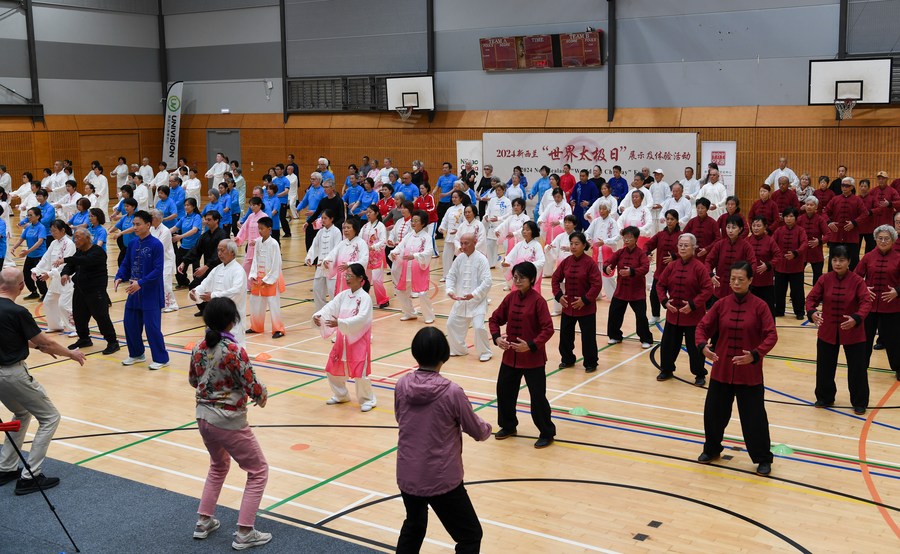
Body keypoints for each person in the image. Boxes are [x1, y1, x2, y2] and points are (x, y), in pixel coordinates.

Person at [395, 327, 492, 553]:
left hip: (408, 473)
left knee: (414, 525)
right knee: (470, 536)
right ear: (444, 355)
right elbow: (476, 430)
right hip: (441, 478)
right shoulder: (452, 392)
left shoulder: (401, 385)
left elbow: (401, 417)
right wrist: (487, 428)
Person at [189, 297, 271, 550]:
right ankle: (245, 531)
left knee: (218, 465)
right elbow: (252, 385)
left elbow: (194, 380)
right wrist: (262, 395)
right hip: (227, 420)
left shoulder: (199, 347)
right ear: (232, 321)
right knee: (258, 471)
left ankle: (204, 521)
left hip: (203, 417)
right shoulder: (234, 351)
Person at [0, 267, 86, 494]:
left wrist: (37, 346)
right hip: (12, 373)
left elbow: (15, 336)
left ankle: (6, 467)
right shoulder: (18, 312)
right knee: (50, 417)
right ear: (20, 286)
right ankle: (30, 476)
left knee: (22, 413)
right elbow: (45, 341)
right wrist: (71, 353)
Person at [696, 261, 777, 476]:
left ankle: (763, 458)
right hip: (721, 370)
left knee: (754, 419)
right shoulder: (721, 304)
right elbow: (702, 326)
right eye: (733, 279)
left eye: (741, 279)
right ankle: (712, 449)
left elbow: (771, 335)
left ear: (751, 280)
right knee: (713, 414)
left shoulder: (760, 306)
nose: (736, 283)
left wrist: (755, 354)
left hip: (749, 374)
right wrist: (703, 346)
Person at [489, 262, 556, 448]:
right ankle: (508, 426)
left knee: (537, 398)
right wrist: (496, 338)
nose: (517, 281)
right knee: (504, 392)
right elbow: (494, 319)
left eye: (521, 278)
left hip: (533, 359)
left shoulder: (539, 301)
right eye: (515, 277)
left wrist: (531, 345)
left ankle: (547, 432)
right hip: (510, 357)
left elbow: (548, 329)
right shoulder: (510, 298)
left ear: (532, 279)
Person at [806, 245, 871, 414]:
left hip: (853, 330)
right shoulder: (824, 279)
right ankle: (824, 397)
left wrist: (856, 318)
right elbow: (811, 298)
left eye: (842, 260)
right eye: (834, 260)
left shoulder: (857, 281)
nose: (837, 263)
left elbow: (866, 302)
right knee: (824, 366)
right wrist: (812, 312)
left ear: (849, 262)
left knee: (857, 368)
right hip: (828, 330)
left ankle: (859, 401)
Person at [313, 263, 377, 412]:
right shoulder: (343, 295)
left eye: (350, 276)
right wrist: (318, 316)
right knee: (332, 368)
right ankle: (341, 394)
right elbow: (330, 308)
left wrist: (340, 322)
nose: (347, 278)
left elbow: (362, 319)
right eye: (346, 275)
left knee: (360, 372)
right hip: (342, 339)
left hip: (358, 340)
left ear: (360, 278)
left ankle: (368, 399)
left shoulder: (365, 298)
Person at [655, 233, 713, 384]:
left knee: (695, 349)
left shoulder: (699, 268)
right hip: (673, 315)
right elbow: (660, 285)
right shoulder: (672, 266)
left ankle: (700, 374)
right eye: (680, 245)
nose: (682, 248)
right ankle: (666, 370)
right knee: (668, 345)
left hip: (693, 317)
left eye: (686, 245)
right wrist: (665, 301)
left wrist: (693, 305)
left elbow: (708, 290)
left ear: (694, 248)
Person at [115, 210, 169, 370]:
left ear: (148, 224)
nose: (135, 227)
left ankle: (161, 358)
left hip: (150, 292)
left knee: (152, 327)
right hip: (134, 291)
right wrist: (119, 275)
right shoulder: (132, 244)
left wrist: (141, 283)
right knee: (130, 323)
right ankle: (137, 354)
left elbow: (158, 270)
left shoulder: (156, 245)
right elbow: (126, 263)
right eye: (133, 224)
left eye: (138, 224)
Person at [60, 228, 120, 354]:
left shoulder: (97, 252)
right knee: (79, 316)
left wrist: (66, 259)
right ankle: (84, 339)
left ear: (87, 238)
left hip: (95, 291)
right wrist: (65, 273)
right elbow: (70, 266)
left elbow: (85, 261)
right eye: (74, 237)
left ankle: (112, 342)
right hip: (80, 290)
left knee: (101, 317)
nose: (75, 240)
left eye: (78, 237)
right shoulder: (79, 252)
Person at [552, 232, 603, 372]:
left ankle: (591, 362)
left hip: (586, 308)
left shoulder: (590, 263)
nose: (573, 247)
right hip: (568, 307)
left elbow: (597, 284)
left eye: (576, 244)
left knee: (588, 338)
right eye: (571, 244)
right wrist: (558, 295)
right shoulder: (566, 262)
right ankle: (567, 359)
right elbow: (555, 279)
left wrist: (585, 300)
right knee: (565, 336)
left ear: (584, 245)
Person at [854, 225, 899, 380]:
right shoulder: (868, 256)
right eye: (880, 238)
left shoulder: (899, 258)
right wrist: (865, 288)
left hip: (892, 308)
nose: (883, 241)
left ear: (893, 240)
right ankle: (861, 366)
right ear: (875, 239)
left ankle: (898, 367)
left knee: (894, 340)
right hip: (869, 307)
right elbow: (856, 277)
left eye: (887, 238)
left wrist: (897, 292)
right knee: (864, 339)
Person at [190, 240, 248, 346]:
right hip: (215, 318)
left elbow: (236, 292)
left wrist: (213, 296)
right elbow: (204, 285)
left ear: (232, 252)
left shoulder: (238, 271)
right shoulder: (217, 269)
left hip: (232, 318)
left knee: (234, 348)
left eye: (222, 250)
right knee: (214, 349)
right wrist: (195, 293)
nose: (219, 253)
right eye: (218, 251)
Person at [604, 226, 654, 348]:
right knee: (614, 313)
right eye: (625, 237)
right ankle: (615, 336)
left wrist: (631, 271)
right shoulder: (620, 252)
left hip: (636, 292)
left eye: (630, 237)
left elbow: (645, 268)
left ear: (636, 239)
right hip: (621, 290)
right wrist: (607, 268)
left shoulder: (641, 254)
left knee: (641, 316)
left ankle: (645, 338)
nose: (626, 240)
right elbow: (608, 262)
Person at [446, 233, 493, 362]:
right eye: (461, 243)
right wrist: (450, 290)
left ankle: (485, 352)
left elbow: (487, 281)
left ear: (475, 242)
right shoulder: (459, 258)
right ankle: (459, 349)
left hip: (477, 301)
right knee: (451, 324)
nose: (463, 246)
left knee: (478, 327)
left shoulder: (482, 259)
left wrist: (474, 294)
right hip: (461, 300)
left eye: (466, 243)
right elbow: (451, 276)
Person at [31, 220, 76, 335]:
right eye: (51, 231)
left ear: (62, 230)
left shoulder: (69, 244)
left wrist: (49, 274)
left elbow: (66, 264)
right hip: (55, 280)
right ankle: (56, 325)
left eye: (54, 231)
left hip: (66, 279)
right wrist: (36, 270)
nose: (52, 233)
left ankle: (74, 329)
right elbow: (46, 259)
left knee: (64, 305)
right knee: (48, 302)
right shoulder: (54, 243)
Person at [179, 211, 226, 316]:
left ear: (216, 220)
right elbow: (196, 250)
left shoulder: (222, 235)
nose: (206, 222)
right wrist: (184, 262)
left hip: (221, 268)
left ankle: (217, 312)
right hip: (208, 268)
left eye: (209, 220)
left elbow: (218, 255)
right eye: (205, 219)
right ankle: (204, 310)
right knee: (194, 286)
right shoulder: (205, 235)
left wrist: (206, 266)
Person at [391, 211, 434, 324]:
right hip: (407, 270)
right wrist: (394, 252)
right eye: (412, 221)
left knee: (422, 293)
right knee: (400, 291)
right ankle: (409, 313)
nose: (413, 223)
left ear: (423, 223)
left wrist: (414, 256)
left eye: (416, 221)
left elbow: (429, 252)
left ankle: (429, 315)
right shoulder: (408, 235)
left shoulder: (427, 238)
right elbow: (400, 247)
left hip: (419, 270)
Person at [248, 217, 286, 339]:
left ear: (269, 229)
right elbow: (255, 259)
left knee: (273, 304)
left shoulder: (274, 244)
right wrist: (253, 274)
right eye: (258, 228)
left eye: (262, 228)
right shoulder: (258, 242)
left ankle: (278, 329)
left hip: (271, 279)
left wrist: (268, 278)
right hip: (258, 278)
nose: (260, 231)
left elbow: (277, 263)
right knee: (255, 303)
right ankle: (256, 326)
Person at [705, 215, 756, 304]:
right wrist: (710, 274)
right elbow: (708, 261)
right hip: (720, 288)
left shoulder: (746, 246)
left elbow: (753, 263)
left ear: (740, 229)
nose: (730, 230)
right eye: (728, 227)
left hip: (739, 288)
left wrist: (745, 279)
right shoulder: (719, 245)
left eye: (734, 227)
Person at [644, 210, 682, 325]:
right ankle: (655, 315)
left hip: (676, 273)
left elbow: (689, 251)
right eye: (668, 219)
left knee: (676, 296)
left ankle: (678, 316)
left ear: (677, 221)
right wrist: (647, 253)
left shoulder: (681, 236)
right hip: (660, 272)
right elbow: (647, 245)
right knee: (654, 294)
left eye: (672, 219)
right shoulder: (660, 235)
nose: (669, 221)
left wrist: (675, 257)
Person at [772, 207, 807, 319]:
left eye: (791, 216)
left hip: (796, 267)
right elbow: (772, 244)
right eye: (786, 216)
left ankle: (799, 312)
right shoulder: (779, 230)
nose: (788, 219)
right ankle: (779, 310)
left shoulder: (801, 230)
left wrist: (795, 253)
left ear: (796, 218)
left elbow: (804, 244)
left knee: (797, 291)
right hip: (780, 266)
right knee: (779, 290)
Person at [825, 177, 867, 271]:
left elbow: (865, 214)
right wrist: (829, 222)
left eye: (847, 186)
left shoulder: (857, 200)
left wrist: (854, 223)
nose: (844, 187)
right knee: (833, 262)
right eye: (842, 185)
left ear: (852, 187)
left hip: (851, 237)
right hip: (836, 236)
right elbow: (825, 212)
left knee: (853, 263)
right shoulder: (835, 199)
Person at [323, 217, 369, 298]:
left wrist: (349, 265)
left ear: (355, 229)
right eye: (344, 228)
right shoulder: (342, 243)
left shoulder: (361, 243)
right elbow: (333, 254)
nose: (345, 230)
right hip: (341, 277)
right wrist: (327, 260)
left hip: (354, 278)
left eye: (348, 227)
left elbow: (364, 260)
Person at [305, 209, 342, 310]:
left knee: (332, 291)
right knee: (317, 290)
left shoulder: (337, 232)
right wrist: (309, 258)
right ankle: (322, 311)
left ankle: (336, 312)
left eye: (325, 218)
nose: (323, 220)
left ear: (331, 219)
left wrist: (328, 260)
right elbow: (314, 247)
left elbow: (337, 249)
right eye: (322, 218)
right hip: (320, 267)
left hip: (332, 267)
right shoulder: (320, 232)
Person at [747, 217, 780, 315]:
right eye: (754, 226)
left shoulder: (770, 241)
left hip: (766, 283)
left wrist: (768, 264)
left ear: (765, 227)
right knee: (750, 311)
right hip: (750, 283)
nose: (756, 228)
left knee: (768, 311)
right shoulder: (747, 240)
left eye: (759, 226)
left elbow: (778, 256)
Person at [13, 207, 47, 300]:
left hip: (39, 255)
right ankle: (33, 292)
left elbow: (39, 241)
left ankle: (44, 293)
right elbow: (21, 238)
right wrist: (14, 247)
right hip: (30, 255)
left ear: (38, 216)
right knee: (26, 274)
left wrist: (28, 251)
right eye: (27, 215)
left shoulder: (41, 227)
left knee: (38, 274)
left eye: (30, 215)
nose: (28, 217)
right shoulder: (28, 227)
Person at [502, 221, 544, 293]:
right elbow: (509, 258)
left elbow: (541, 261)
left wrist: (528, 266)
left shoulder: (537, 245)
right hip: (519, 274)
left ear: (533, 231)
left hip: (530, 275)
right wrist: (505, 263)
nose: (524, 232)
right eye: (523, 229)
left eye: (527, 230)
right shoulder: (519, 245)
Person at [150, 209, 179, 313]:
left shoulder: (165, 231)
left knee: (165, 282)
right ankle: (161, 302)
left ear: (158, 218)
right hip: (156, 261)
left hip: (166, 260)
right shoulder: (152, 229)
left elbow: (160, 247)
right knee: (157, 282)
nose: (150, 219)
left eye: (152, 217)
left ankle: (171, 304)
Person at [437, 190, 467, 281]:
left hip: (459, 237)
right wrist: (442, 228)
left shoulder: (464, 209)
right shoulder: (449, 209)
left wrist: (458, 231)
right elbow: (444, 220)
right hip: (449, 236)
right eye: (452, 197)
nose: (454, 199)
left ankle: (460, 276)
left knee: (460, 257)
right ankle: (446, 275)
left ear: (461, 198)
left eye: (456, 197)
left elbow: (465, 223)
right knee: (446, 256)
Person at [798, 197, 829, 286]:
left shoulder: (820, 219)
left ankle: (816, 297)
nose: (809, 207)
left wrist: (819, 241)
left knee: (817, 276)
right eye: (807, 205)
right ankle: (794, 297)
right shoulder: (800, 219)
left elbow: (828, 235)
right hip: (802, 252)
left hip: (816, 252)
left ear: (816, 207)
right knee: (798, 275)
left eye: (811, 205)